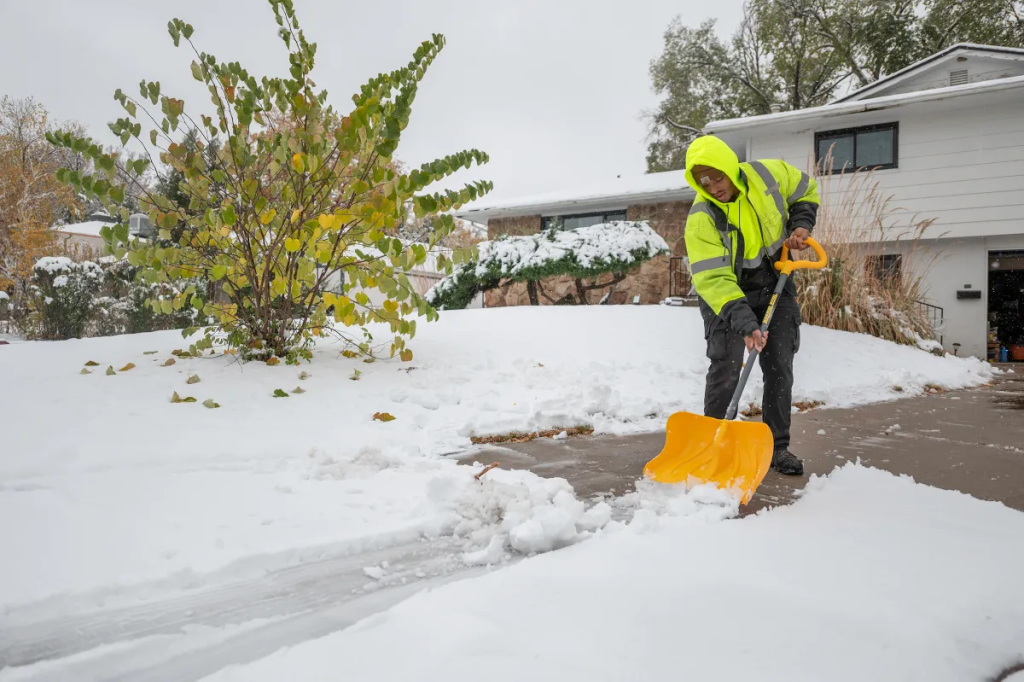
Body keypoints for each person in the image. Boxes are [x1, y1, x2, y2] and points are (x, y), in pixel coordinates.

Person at [682, 134, 820, 476]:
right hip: (726, 294)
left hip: (776, 280)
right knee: (726, 365)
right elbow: (714, 279)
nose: (712, 186)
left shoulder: (767, 175)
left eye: (717, 177)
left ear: (730, 168)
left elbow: (806, 190)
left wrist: (800, 226)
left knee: (778, 367)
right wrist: (746, 324)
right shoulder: (702, 219)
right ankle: (714, 443)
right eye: (703, 181)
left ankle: (777, 447)